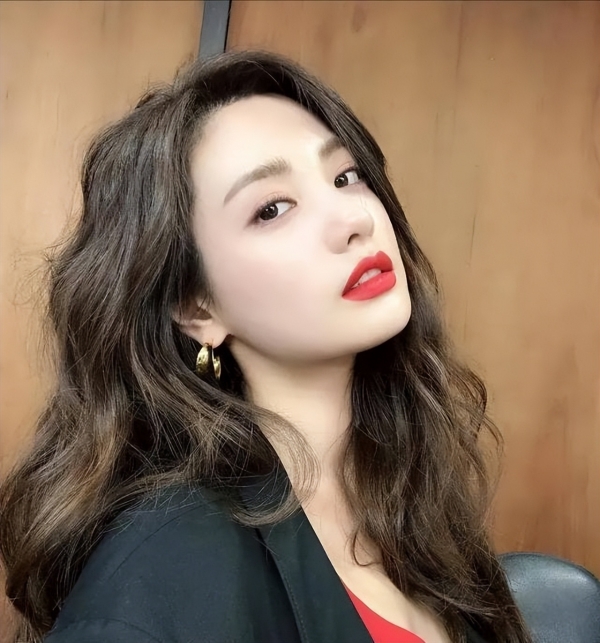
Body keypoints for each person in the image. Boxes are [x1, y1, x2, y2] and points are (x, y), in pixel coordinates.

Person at [0, 50, 533, 643]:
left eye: (345, 177)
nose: (352, 219)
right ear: (197, 308)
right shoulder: (167, 568)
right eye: (272, 209)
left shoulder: (412, 503)